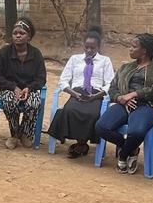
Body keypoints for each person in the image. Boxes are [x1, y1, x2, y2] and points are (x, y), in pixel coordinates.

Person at [95, 34, 153, 174]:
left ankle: (123, 155)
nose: (130, 49)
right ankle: (131, 148)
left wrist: (134, 94)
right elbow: (112, 88)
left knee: (136, 132)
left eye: (134, 47)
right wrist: (121, 98)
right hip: (124, 104)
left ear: (145, 51)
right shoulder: (126, 67)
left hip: (146, 105)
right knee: (101, 127)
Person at [47, 28, 114, 158]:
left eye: (92, 48)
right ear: (83, 45)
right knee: (69, 110)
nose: (89, 50)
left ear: (98, 47)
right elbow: (63, 80)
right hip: (76, 92)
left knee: (92, 114)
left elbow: (110, 83)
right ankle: (81, 144)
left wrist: (96, 96)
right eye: (86, 47)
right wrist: (74, 93)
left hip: (95, 94)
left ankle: (81, 144)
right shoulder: (75, 59)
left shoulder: (105, 61)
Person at [0, 17, 47, 149]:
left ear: (29, 37)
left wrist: (29, 88)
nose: (18, 36)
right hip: (8, 89)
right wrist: (12, 87)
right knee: (10, 101)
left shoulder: (36, 54)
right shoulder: (4, 53)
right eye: (15, 33)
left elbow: (41, 78)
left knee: (34, 102)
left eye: (22, 33)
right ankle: (15, 134)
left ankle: (25, 133)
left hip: (29, 90)